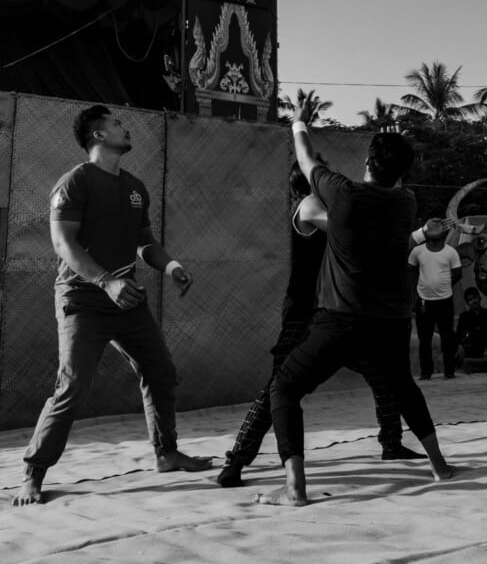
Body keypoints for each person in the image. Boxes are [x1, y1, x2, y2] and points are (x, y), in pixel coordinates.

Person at [13, 105, 211, 507]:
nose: (125, 127)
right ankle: (33, 473)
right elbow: (63, 244)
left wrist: (171, 267)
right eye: (117, 124)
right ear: (99, 136)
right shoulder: (74, 183)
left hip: (126, 298)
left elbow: (145, 243)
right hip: (83, 299)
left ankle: (167, 454)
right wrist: (105, 281)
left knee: (160, 370)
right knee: (72, 385)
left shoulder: (136, 187)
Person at [261, 115, 453, 506]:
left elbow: (306, 158)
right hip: (392, 322)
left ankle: (294, 489)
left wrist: (299, 121)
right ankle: (440, 467)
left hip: (342, 319)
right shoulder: (406, 203)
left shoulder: (344, 194)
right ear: (402, 173)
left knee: (284, 387)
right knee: (403, 386)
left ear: (368, 160)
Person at [216, 160, 425, 488]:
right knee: (279, 387)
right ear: (311, 181)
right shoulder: (309, 205)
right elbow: (353, 232)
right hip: (306, 315)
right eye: (323, 175)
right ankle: (237, 460)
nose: (332, 181)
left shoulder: (335, 208)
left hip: (341, 314)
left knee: (384, 377)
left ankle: (392, 444)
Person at [409, 223, 462, 379]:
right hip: (424, 301)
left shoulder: (450, 252)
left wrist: (445, 284)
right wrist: (414, 295)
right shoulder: (417, 251)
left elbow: (458, 273)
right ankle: (426, 372)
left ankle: (449, 371)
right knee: (424, 339)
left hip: (445, 300)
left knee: (447, 337)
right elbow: (410, 272)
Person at [455, 287, 487, 359]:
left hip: (485, 348)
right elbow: (459, 334)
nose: (473, 301)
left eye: (475, 298)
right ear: (467, 303)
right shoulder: (464, 316)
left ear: (480, 298)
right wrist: (459, 346)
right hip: (469, 349)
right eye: (470, 300)